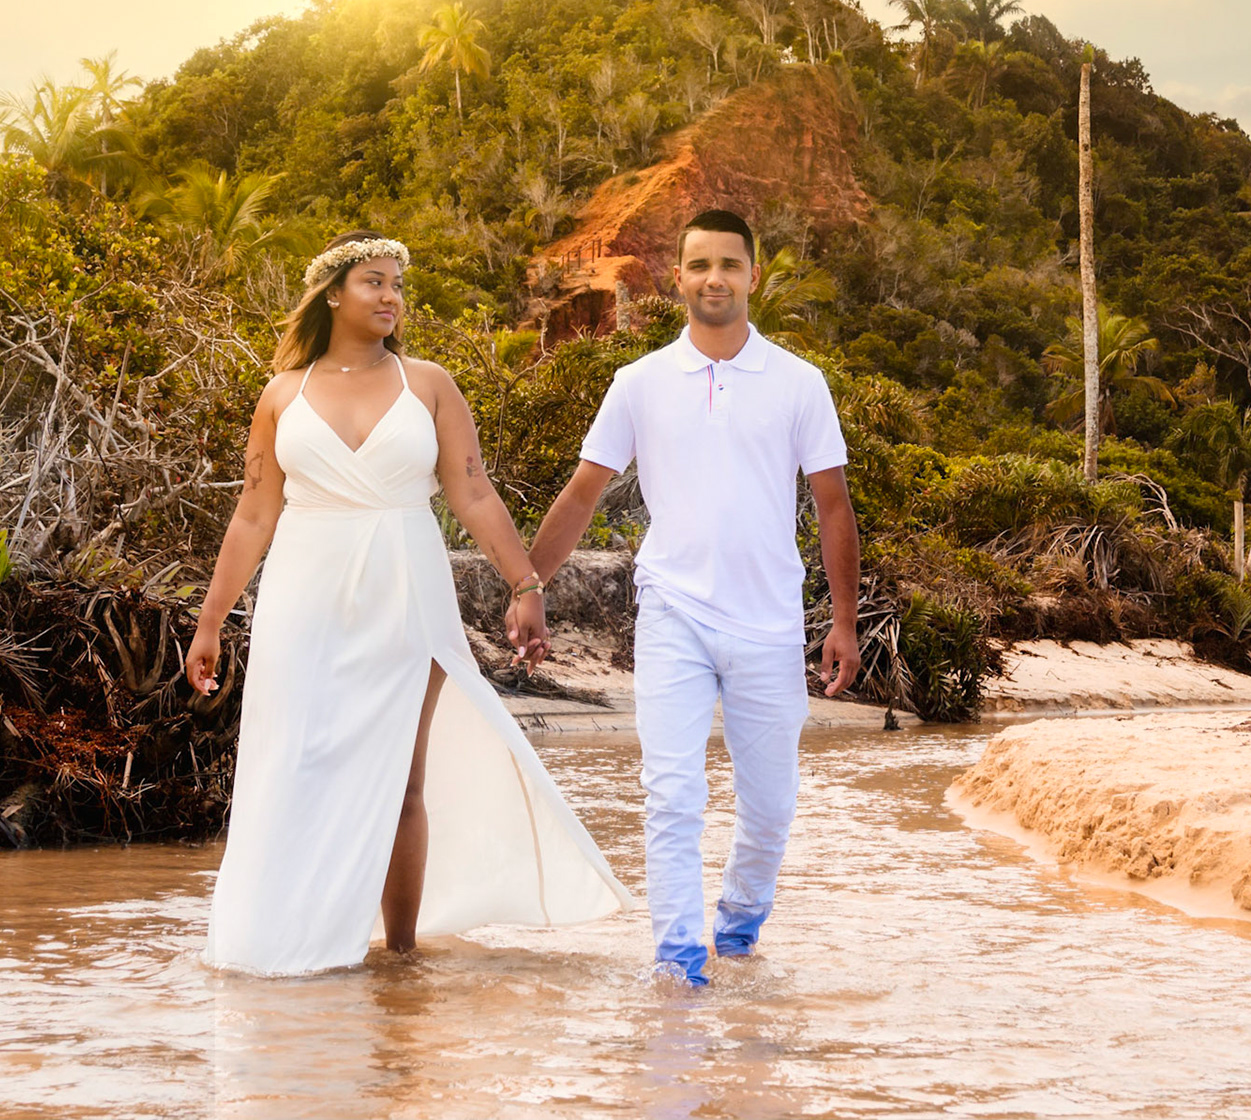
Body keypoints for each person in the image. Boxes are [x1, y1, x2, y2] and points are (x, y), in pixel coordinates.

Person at [186, 231, 630, 977]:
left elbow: (474, 491)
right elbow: (253, 516)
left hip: (404, 587)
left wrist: (526, 585)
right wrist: (209, 622)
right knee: (291, 761)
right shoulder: (281, 396)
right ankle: (283, 939)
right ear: (333, 293)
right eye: (374, 282)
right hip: (303, 592)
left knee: (403, 775)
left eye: (398, 284)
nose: (391, 296)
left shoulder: (428, 384)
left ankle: (399, 952)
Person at [520, 209, 861, 986]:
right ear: (678, 277)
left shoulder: (799, 383)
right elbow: (582, 494)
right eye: (700, 264)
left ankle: (737, 930)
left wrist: (841, 622)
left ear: (753, 276)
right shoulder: (637, 384)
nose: (715, 278)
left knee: (770, 807)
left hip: (770, 621)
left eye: (729, 265)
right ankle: (679, 966)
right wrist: (528, 586)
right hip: (672, 612)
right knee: (671, 794)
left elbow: (833, 506)